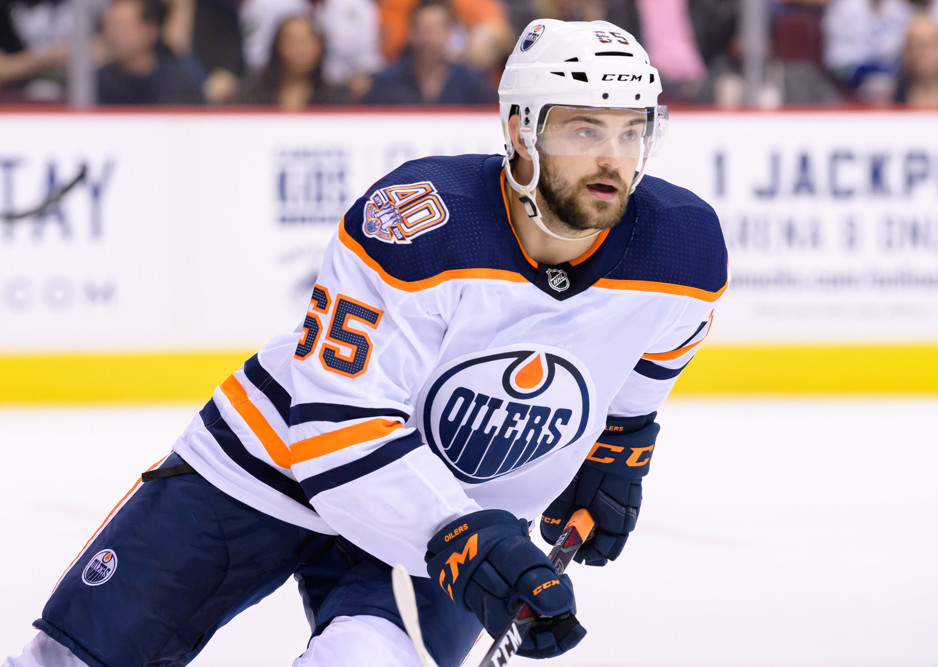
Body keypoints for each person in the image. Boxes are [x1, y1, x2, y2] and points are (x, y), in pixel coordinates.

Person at [4, 17, 727, 667]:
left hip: (446, 501)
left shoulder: (681, 248)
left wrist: (621, 441)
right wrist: (466, 540)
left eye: (631, 131)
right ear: (519, 130)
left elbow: (657, 352)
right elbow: (334, 429)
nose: (613, 159)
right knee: (69, 660)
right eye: (583, 130)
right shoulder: (420, 224)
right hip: (269, 466)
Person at [364, 0, 495, 105]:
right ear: (411, 32)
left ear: (448, 33)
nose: (429, 40)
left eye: (436, 30)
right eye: (423, 30)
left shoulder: (471, 84)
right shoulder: (385, 84)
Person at [96, 0, 205, 105]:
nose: (114, 36)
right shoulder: (96, 84)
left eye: (124, 27)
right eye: (111, 26)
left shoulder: (179, 84)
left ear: (150, 31)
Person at [235, 14, 347, 110]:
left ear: (319, 47)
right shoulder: (252, 95)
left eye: (305, 42)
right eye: (291, 42)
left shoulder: (336, 98)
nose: (299, 50)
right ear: (277, 46)